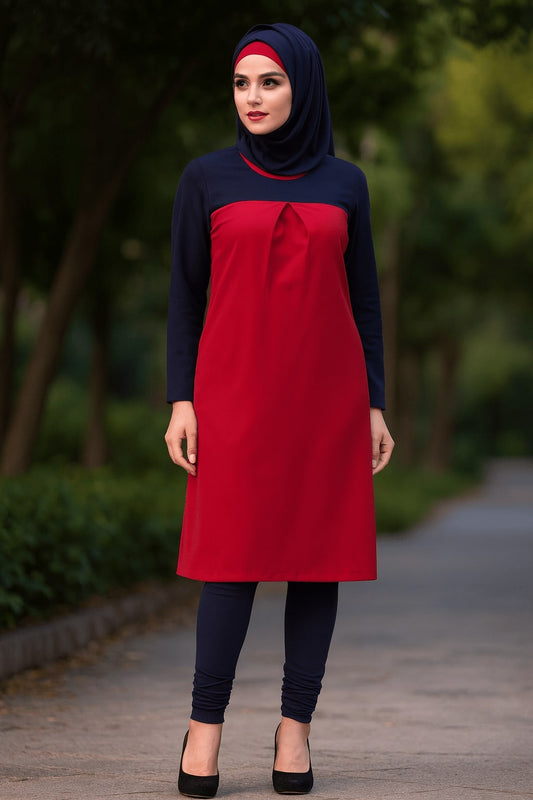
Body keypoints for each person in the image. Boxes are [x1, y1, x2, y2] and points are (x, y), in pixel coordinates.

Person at [165, 22, 394, 798]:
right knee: (227, 564)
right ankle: (204, 730)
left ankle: (294, 731)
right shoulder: (205, 178)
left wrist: (374, 404)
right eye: (241, 83)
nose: (253, 97)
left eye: (269, 81)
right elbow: (183, 302)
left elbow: (363, 303)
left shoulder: (346, 185)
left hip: (326, 404)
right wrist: (180, 399)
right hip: (231, 401)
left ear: (302, 86)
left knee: (315, 564)